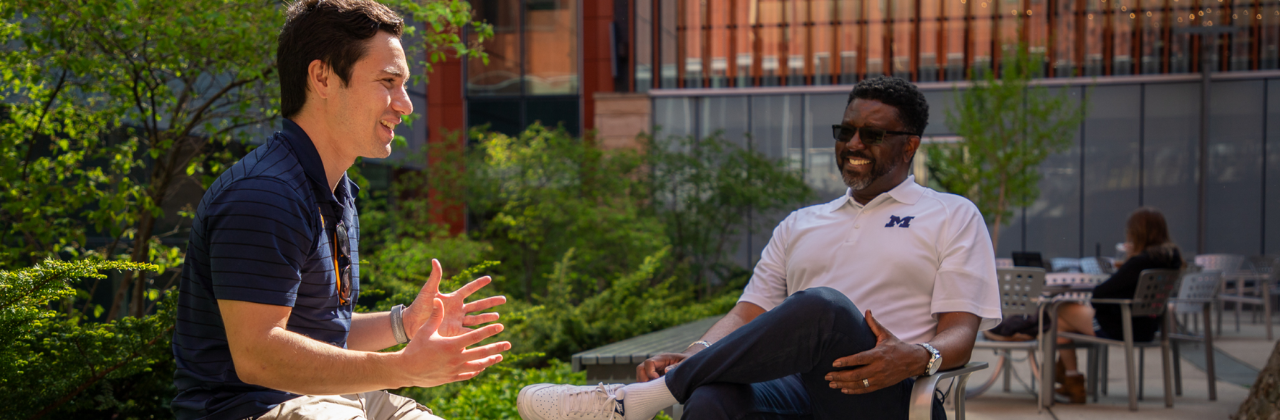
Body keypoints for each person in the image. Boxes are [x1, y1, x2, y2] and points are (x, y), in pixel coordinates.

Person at [515, 77, 1002, 420]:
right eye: (845, 131)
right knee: (710, 400)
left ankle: (637, 400)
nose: (853, 142)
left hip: (885, 390)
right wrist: (697, 352)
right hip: (795, 387)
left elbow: (960, 334)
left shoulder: (952, 215)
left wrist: (917, 357)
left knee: (823, 307)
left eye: (871, 135)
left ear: (909, 145)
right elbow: (749, 312)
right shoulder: (801, 222)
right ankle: (656, 394)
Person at [171, 1, 511, 419]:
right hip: (251, 409)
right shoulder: (264, 194)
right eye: (388, 81)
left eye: (403, 85)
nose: (405, 105)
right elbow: (257, 355)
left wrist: (404, 323)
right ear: (323, 77)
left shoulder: (337, 191)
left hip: (330, 399)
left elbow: (318, 338)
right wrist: (402, 367)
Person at [1051, 207, 1183, 404]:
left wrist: (1127, 262)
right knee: (1062, 324)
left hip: (1121, 327)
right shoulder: (1171, 259)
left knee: (1059, 309)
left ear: (1136, 232)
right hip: (1148, 327)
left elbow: (1099, 294)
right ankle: (1069, 379)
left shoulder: (1140, 261)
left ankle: (1071, 379)